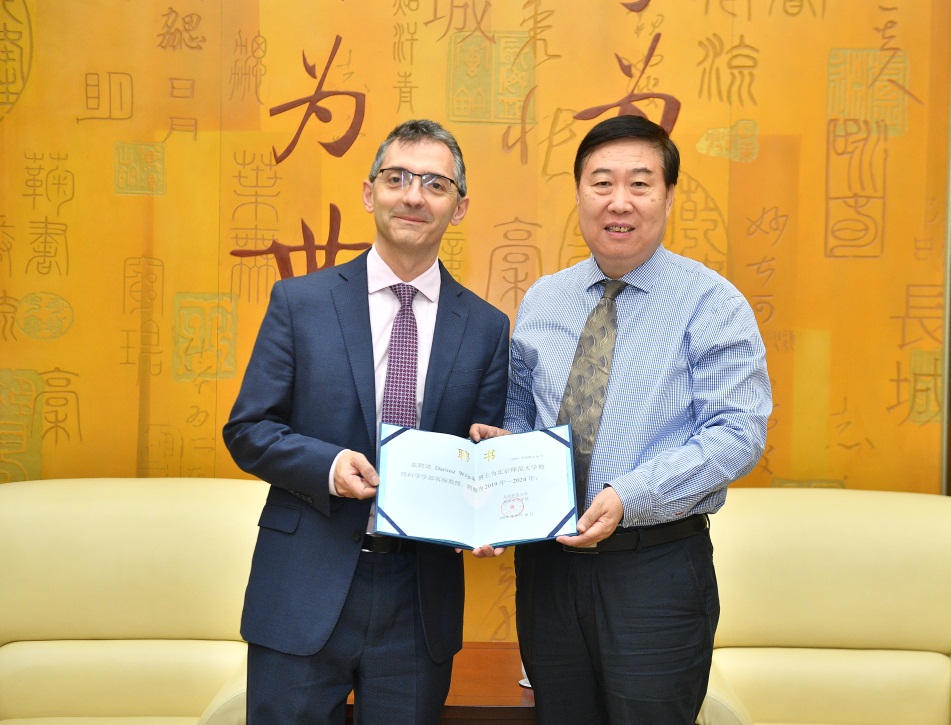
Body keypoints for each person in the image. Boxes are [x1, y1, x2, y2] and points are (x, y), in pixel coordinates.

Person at [471, 114, 772, 724]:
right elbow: (521, 413)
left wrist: (627, 497)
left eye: (640, 183)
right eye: (602, 182)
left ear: (668, 195)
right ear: (579, 192)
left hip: (653, 569)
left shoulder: (712, 303)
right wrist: (500, 457)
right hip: (548, 568)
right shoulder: (544, 299)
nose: (619, 202)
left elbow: (738, 434)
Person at [223, 119, 510, 724]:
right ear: (368, 191)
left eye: (435, 183)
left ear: (459, 207)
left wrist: (491, 491)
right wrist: (327, 467)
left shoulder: (486, 328)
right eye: (396, 178)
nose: (413, 196)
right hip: (303, 582)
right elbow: (248, 430)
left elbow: (481, 448)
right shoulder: (300, 303)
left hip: (419, 596)